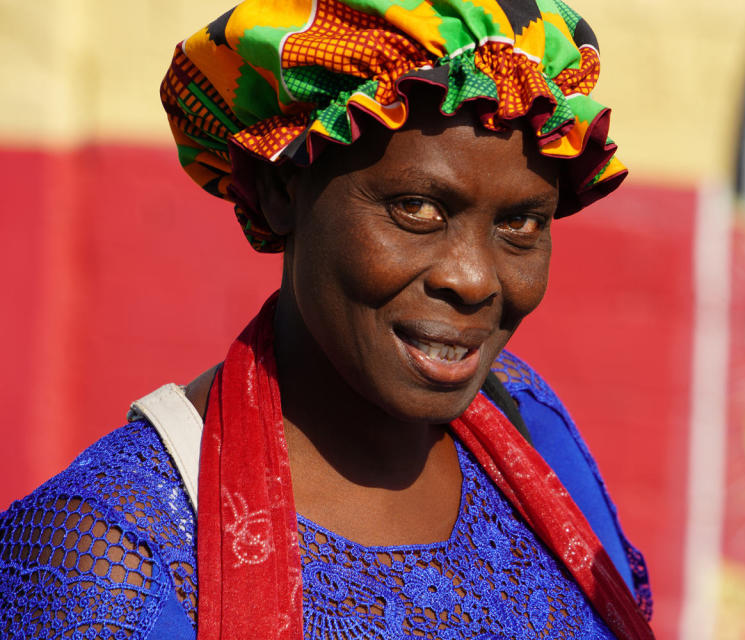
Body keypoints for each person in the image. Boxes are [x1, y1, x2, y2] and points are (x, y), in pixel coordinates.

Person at [0, 1, 654, 638]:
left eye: (521, 223)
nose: (474, 278)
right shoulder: (103, 557)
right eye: (417, 208)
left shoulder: (528, 424)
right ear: (283, 191)